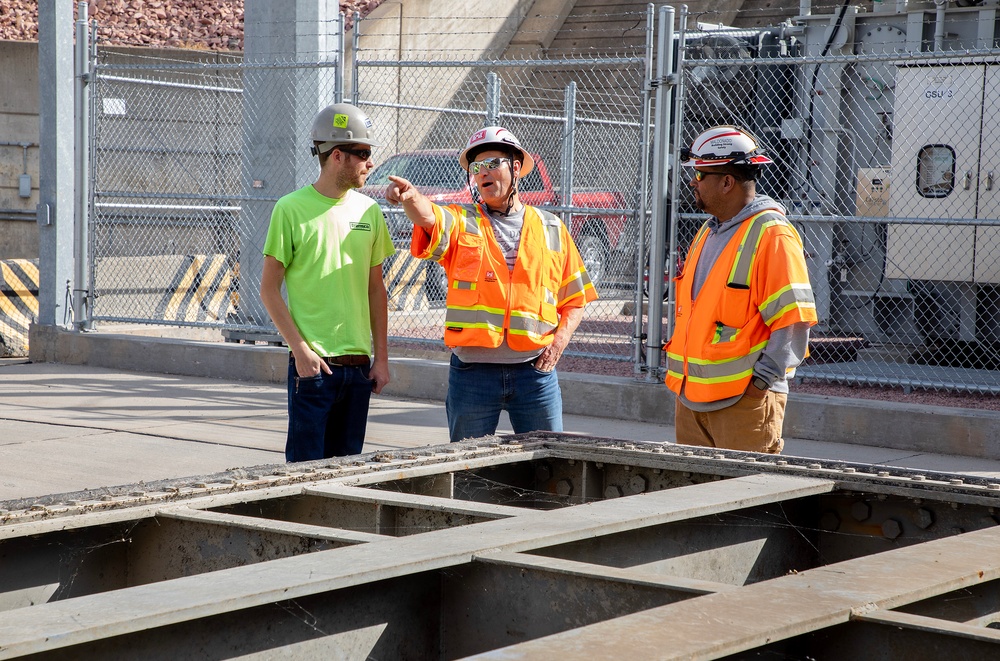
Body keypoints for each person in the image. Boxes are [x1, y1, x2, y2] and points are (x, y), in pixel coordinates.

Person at [384, 126, 598, 442]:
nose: (483, 173)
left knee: (549, 467)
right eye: (476, 167)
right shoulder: (462, 221)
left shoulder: (552, 227)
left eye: (492, 163)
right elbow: (429, 217)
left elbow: (575, 297)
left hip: (534, 375)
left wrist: (558, 343)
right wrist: (411, 196)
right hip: (473, 376)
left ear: (515, 168)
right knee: (467, 471)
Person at [664, 125, 817, 454]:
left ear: (727, 182)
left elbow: (793, 321)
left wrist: (759, 386)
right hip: (693, 400)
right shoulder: (707, 232)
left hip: (742, 403)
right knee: (694, 499)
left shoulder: (773, 234)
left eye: (700, 175)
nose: (693, 181)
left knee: (746, 502)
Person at [260, 102, 396, 462]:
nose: (370, 163)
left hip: (358, 370)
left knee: (348, 475)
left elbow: (375, 291)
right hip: (313, 369)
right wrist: (300, 351)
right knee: (304, 476)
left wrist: (380, 360)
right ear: (337, 155)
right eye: (363, 153)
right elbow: (269, 289)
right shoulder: (289, 209)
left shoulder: (370, 212)